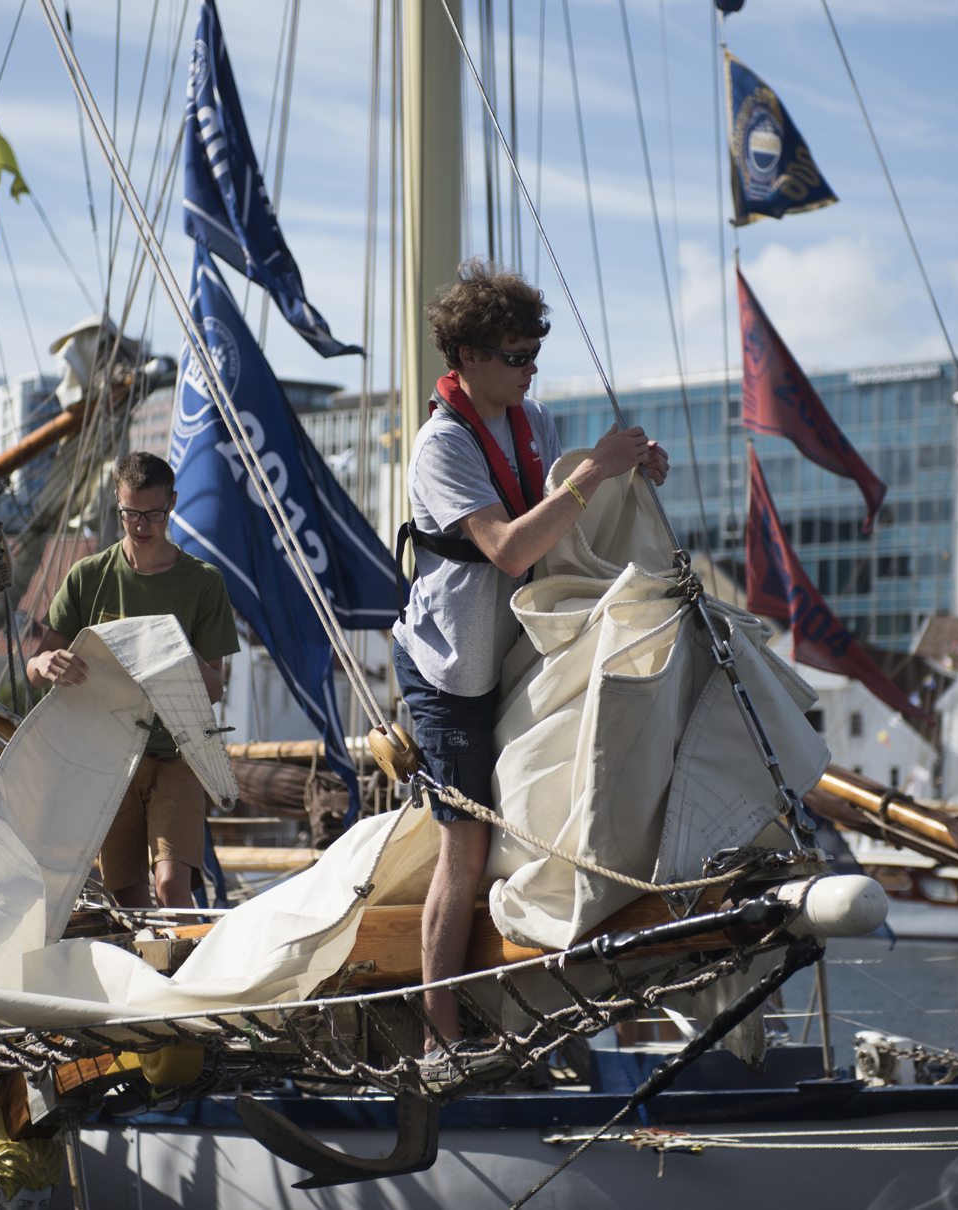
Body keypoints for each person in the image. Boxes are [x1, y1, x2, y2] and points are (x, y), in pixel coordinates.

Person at [394, 259, 667, 1083]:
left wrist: (629, 477)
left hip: (518, 655)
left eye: (532, 352)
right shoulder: (442, 446)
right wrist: (593, 475)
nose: (529, 368)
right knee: (466, 852)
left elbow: (566, 521)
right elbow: (510, 546)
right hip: (449, 673)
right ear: (469, 356)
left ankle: (554, 1016)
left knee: (565, 824)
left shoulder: (531, 422)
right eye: (515, 355)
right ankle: (440, 1040)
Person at [27, 452, 238, 910]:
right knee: (126, 899)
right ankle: (150, 977)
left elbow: (215, 688)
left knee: (171, 888)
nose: (142, 524)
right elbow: (35, 664)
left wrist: (172, 648)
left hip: (178, 753)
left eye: (154, 514)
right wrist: (45, 665)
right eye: (131, 514)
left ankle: (186, 976)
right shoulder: (88, 576)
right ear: (117, 506)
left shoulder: (204, 582)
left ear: (173, 503)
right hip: (107, 760)